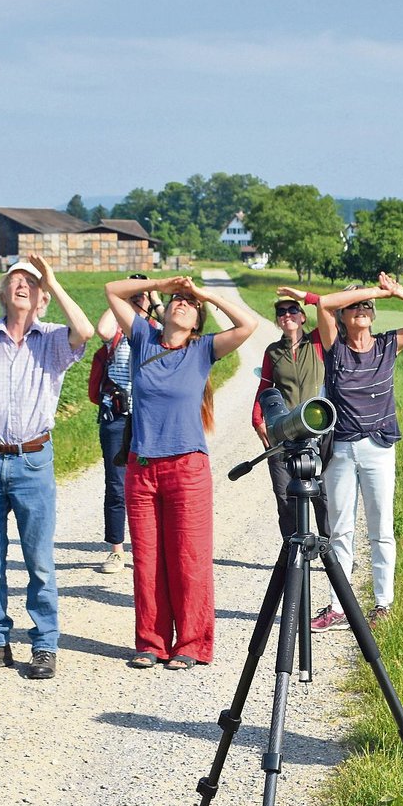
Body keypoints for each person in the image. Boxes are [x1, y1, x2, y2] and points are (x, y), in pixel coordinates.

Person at [0, 256, 93, 680]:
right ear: (3, 290)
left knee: (39, 561)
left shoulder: (51, 340)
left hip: (32, 461)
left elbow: (84, 331)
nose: (23, 285)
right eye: (16, 279)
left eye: (32, 281)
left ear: (43, 295)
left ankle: (44, 645)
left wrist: (52, 279)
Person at [102, 274, 257, 670]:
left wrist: (204, 293)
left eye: (191, 304)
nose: (182, 304)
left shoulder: (202, 349)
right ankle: (150, 643)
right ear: (165, 307)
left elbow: (247, 325)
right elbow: (111, 290)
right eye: (177, 299)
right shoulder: (142, 338)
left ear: (198, 320)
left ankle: (190, 644)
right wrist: (163, 282)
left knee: (188, 558)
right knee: (148, 560)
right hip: (142, 466)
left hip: (187, 467)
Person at [310, 272, 403, 633]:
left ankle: (383, 603)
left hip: (379, 448)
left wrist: (399, 293)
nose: (363, 310)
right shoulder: (335, 348)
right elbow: (323, 303)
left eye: (368, 306)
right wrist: (367, 291)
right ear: (342, 315)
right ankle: (338, 606)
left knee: (381, 529)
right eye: (354, 306)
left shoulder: (389, 345)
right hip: (340, 449)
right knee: (339, 531)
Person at [87, 274, 160, 575]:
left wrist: (153, 295)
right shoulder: (115, 330)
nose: (137, 298)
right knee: (116, 484)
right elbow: (101, 328)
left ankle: (148, 547)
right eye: (133, 294)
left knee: (150, 482)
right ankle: (116, 550)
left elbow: (174, 327)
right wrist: (122, 297)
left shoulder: (156, 332)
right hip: (116, 415)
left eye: (139, 294)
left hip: (148, 416)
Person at [252, 288, 330, 540]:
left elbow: (326, 305)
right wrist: (257, 421)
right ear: (277, 320)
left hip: (316, 429)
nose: (287, 315)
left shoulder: (317, 342)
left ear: (303, 316)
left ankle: (332, 546)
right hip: (283, 429)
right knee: (284, 493)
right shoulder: (272, 352)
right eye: (281, 312)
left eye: (293, 309)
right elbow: (264, 387)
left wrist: (303, 295)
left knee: (322, 493)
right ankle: (291, 550)